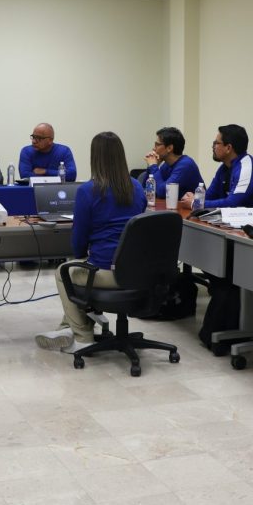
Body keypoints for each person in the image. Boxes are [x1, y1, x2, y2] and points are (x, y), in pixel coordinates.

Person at [36, 132, 146, 353]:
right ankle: (67, 327)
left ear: (95, 157)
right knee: (77, 269)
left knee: (63, 271)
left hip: (107, 273)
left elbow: (79, 238)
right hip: (137, 271)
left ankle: (82, 336)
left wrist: (80, 257)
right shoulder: (137, 186)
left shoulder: (88, 190)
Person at [180, 124, 253, 219]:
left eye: (216, 143)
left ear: (228, 148)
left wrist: (196, 203)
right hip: (239, 221)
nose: (213, 147)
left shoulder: (246, 169)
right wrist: (195, 198)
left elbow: (232, 204)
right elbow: (210, 196)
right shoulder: (225, 167)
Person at [143, 126, 203, 198]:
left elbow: (163, 192)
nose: (153, 148)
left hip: (195, 205)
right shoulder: (167, 164)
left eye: (157, 145)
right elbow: (146, 189)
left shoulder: (185, 165)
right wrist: (151, 166)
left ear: (169, 148)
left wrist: (153, 166)